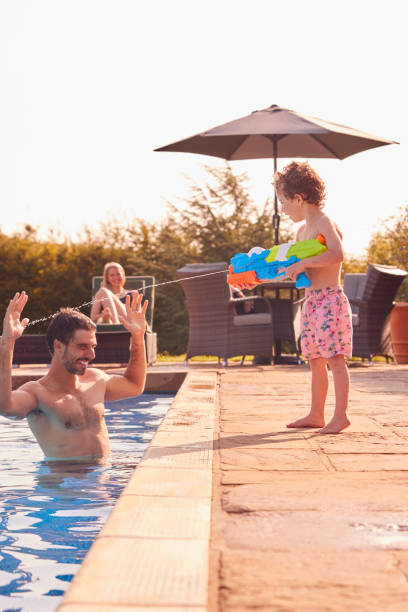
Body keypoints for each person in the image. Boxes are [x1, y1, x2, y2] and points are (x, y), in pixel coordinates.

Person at [0, 290, 148, 461]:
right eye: (83, 346)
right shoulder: (37, 394)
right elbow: (5, 407)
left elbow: (135, 386)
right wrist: (7, 344)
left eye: (93, 346)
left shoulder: (96, 380)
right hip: (64, 483)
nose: (91, 355)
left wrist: (137, 336)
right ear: (58, 346)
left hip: (103, 480)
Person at [274, 161, 352, 434]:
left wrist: (306, 265)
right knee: (315, 360)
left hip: (330, 300)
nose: (282, 208)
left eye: (284, 202)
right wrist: (267, 274)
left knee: (335, 359)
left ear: (299, 198)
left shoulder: (324, 222)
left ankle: (340, 416)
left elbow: (336, 254)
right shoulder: (300, 232)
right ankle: (316, 414)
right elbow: (296, 266)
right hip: (311, 302)